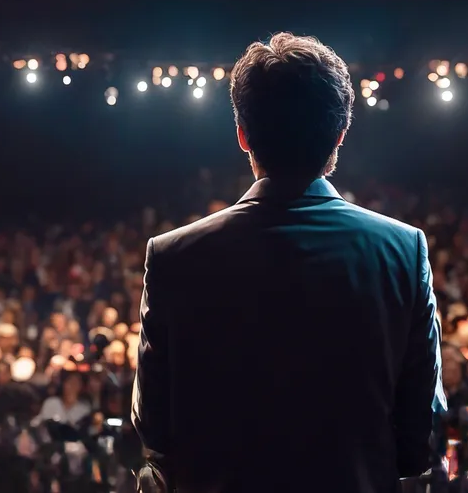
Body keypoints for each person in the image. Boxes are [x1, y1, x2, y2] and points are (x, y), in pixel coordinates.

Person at [131, 33, 446, 493]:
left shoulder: (173, 257)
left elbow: (155, 430)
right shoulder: (403, 250)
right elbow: (421, 437)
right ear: (340, 134)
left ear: (242, 134)